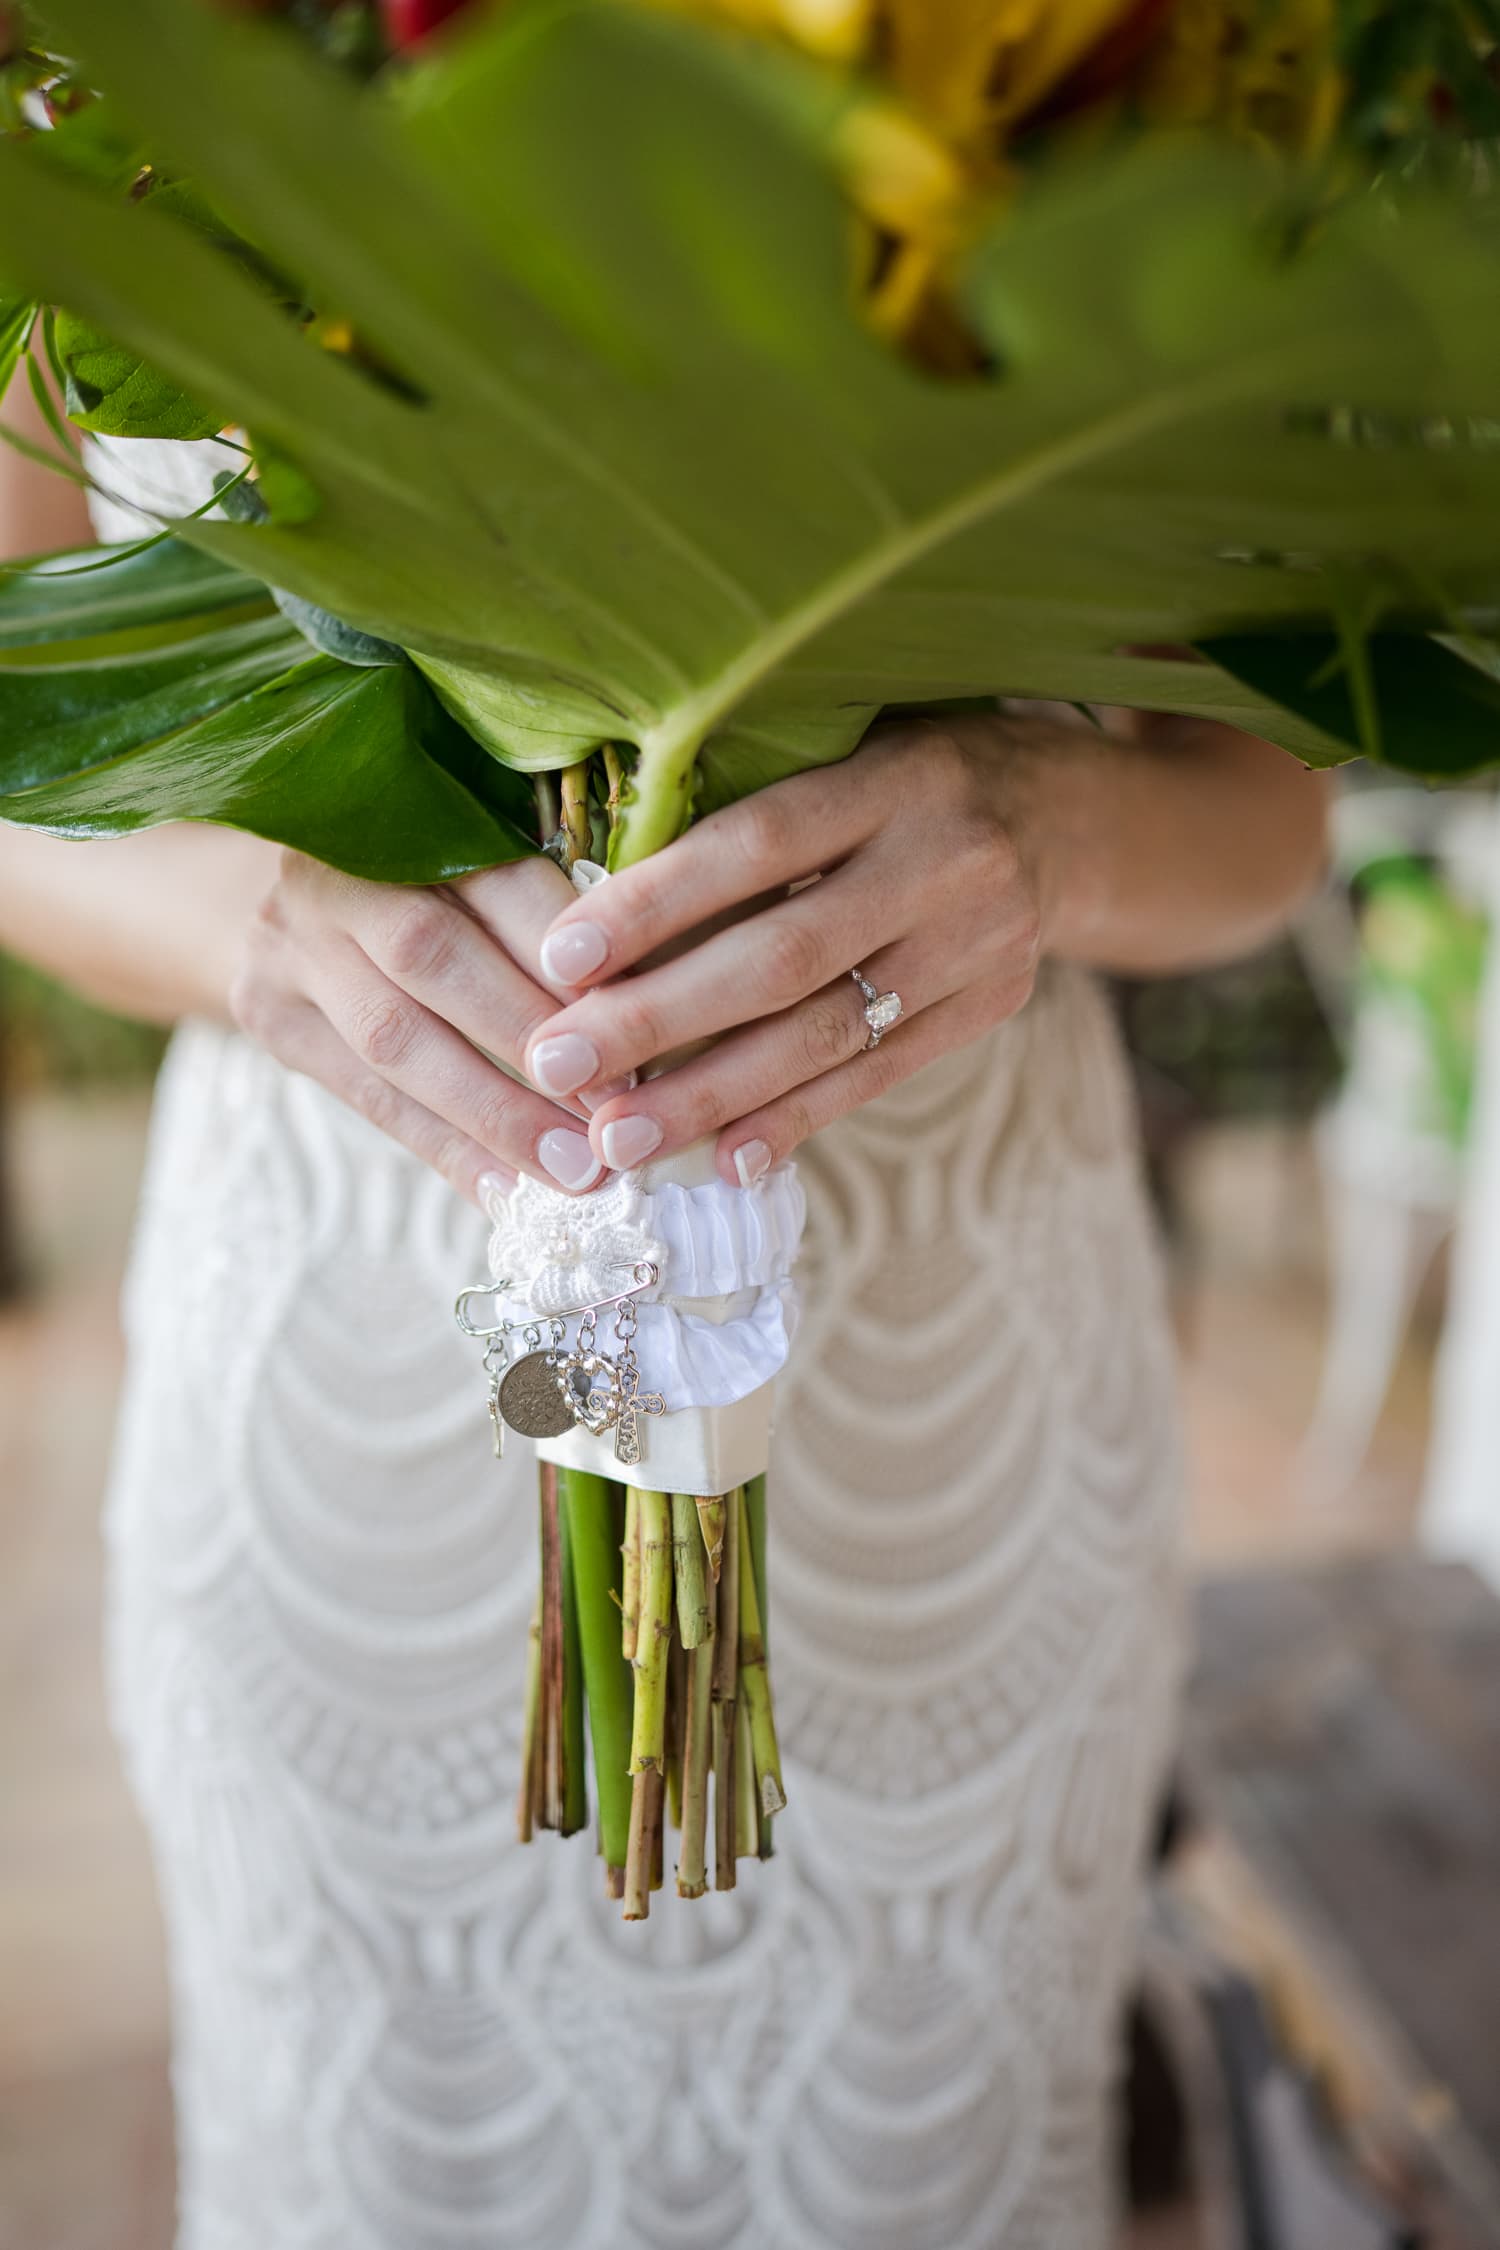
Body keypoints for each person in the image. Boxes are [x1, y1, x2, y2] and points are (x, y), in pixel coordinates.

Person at [0, 402, 1326, 2249]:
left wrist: (1044, 827)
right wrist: (267, 926)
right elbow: (17, 735)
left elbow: (1271, 799)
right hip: (362, 1385)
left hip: (958, 1425)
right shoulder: (69, 156)